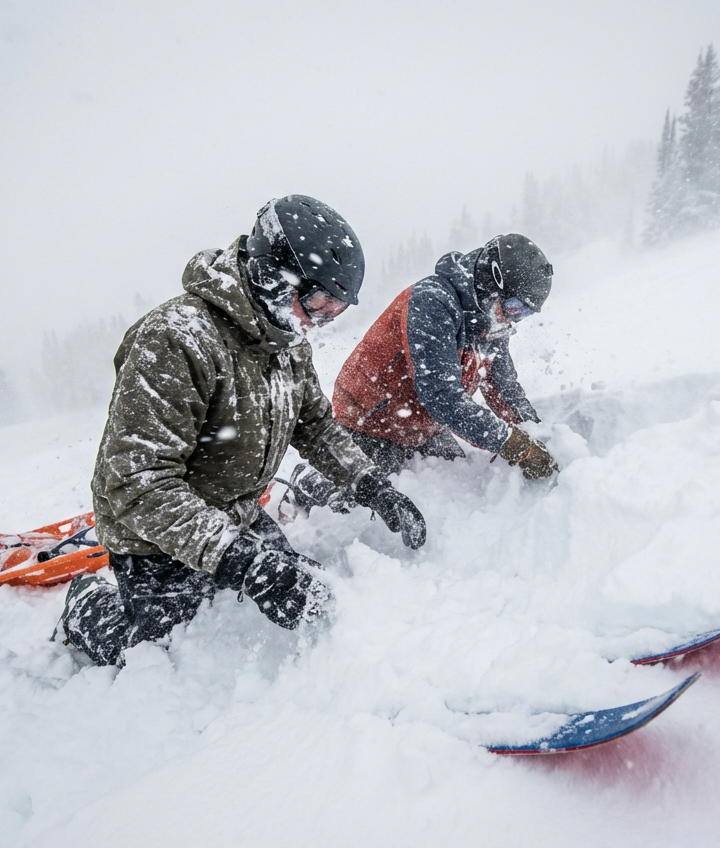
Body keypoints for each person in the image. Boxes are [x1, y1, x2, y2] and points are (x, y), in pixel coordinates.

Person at [58, 195, 427, 666]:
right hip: (155, 538)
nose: (317, 324)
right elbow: (136, 481)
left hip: (238, 515)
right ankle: (86, 603)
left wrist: (373, 487)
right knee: (158, 659)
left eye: (333, 313)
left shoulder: (287, 344)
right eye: (316, 304)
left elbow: (314, 426)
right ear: (273, 274)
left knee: (313, 598)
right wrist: (245, 564)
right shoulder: (176, 339)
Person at [285, 234, 558, 515]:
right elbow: (442, 397)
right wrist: (514, 444)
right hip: (371, 420)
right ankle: (306, 484)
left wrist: (535, 433)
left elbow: (503, 388)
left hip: (422, 426)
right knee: (353, 508)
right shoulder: (432, 301)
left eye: (524, 313)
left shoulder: (490, 322)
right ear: (491, 283)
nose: (514, 318)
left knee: (454, 484)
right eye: (514, 306)